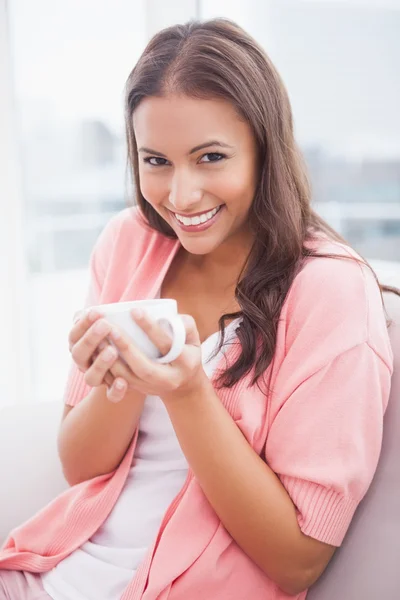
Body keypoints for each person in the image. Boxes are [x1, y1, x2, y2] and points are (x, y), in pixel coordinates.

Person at [0, 17, 397, 600]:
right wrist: (125, 378)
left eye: (210, 157)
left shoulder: (330, 293)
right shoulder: (129, 242)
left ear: (265, 150)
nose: (180, 197)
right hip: (47, 577)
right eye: (155, 161)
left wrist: (188, 394)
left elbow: (298, 560)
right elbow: (81, 467)